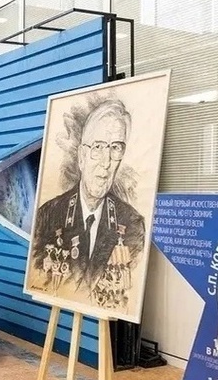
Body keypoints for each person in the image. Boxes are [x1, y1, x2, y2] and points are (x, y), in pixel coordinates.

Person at [27, 99, 146, 309]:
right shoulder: (48, 216)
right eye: (98, 147)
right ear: (82, 156)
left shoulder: (133, 225)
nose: (106, 162)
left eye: (115, 148)